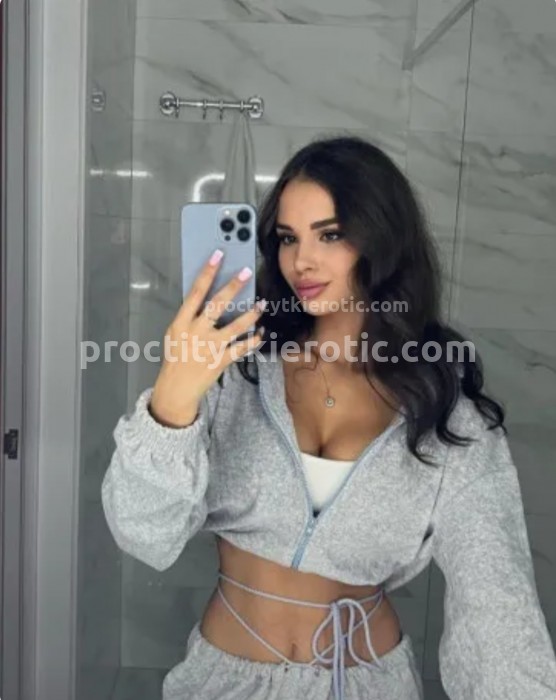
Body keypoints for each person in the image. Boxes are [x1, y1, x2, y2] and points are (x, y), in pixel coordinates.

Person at [101, 135, 556, 700]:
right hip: (225, 681)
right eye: (288, 238)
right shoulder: (234, 373)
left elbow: (497, 604)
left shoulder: (446, 417)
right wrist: (172, 400)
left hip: (369, 685)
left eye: (331, 234)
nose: (302, 261)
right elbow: (142, 534)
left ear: (382, 240)